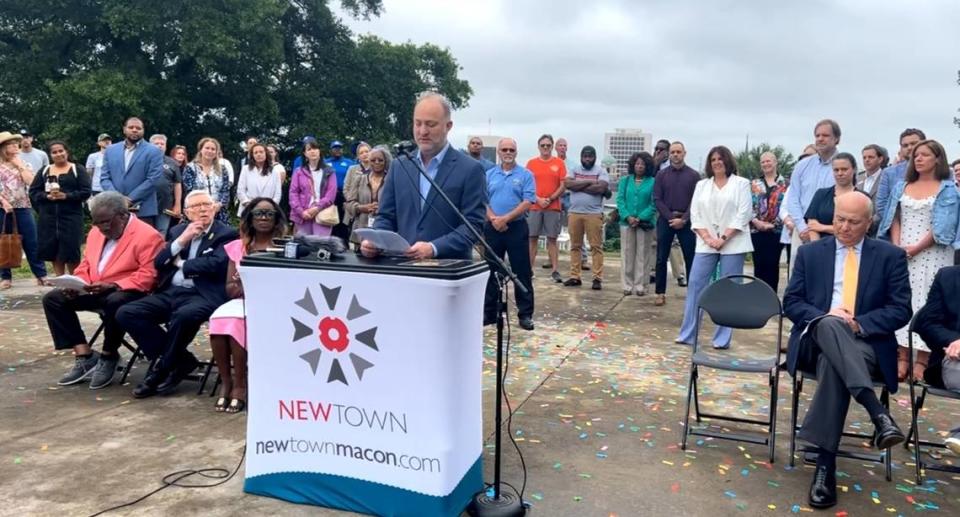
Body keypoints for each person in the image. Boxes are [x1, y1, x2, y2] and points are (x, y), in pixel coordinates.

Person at [783, 192, 911, 510]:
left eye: (853, 222)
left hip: (865, 344)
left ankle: (825, 467)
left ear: (869, 223)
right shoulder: (811, 254)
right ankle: (877, 413)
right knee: (828, 324)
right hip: (815, 337)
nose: (844, 227)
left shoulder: (889, 256)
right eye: (839, 219)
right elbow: (793, 303)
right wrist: (828, 317)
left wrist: (858, 324)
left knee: (834, 364)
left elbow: (900, 310)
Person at [116, 190, 238, 398]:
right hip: (171, 291)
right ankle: (181, 361)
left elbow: (215, 264)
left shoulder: (226, 233)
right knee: (127, 312)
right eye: (196, 206)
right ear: (186, 212)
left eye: (207, 205)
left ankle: (161, 369)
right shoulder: (178, 231)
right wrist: (182, 240)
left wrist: (181, 263)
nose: (202, 210)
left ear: (214, 208)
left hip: (203, 294)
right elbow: (159, 262)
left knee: (184, 316)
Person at [41, 192, 163, 389]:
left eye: (106, 222)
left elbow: (150, 275)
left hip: (129, 290)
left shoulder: (147, 235)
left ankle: (109, 355)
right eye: (97, 223)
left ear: (123, 215)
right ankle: (84, 354)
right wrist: (77, 283)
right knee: (54, 299)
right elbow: (87, 264)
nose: (102, 228)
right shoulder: (97, 232)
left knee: (115, 301)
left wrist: (115, 285)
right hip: (95, 287)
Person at [361, 91, 486, 260]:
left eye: (431, 124)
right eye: (417, 123)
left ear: (448, 126)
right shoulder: (399, 166)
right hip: (402, 268)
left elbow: (473, 226)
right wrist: (375, 239)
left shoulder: (471, 169)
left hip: (447, 271)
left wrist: (434, 248)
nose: (422, 131)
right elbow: (386, 216)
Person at [876, 139, 960, 382]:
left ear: (937, 158)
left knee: (927, 300)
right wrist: (897, 246)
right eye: (915, 155)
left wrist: (916, 247)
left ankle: (921, 360)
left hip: (931, 250)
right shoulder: (902, 186)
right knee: (903, 297)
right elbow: (894, 216)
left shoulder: (947, 189)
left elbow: (944, 225)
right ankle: (902, 356)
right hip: (902, 250)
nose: (919, 159)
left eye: (924, 154)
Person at [209, 197, 287, 413]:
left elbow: (284, 286)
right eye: (258, 213)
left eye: (269, 214)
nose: (263, 217)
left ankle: (240, 386)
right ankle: (227, 383)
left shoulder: (285, 247)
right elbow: (230, 287)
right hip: (242, 301)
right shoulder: (238, 247)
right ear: (250, 218)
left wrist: (251, 284)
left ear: (276, 219)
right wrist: (246, 285)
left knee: (236, 321)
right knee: (219, 319)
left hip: (274, 305)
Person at [676, 146, 753, 348]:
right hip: (706, 242)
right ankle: (688, 333)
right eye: (713, 160)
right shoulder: (702, 185)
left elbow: (744, 214)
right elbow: (695, 214)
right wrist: (708, 237)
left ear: (728, 161)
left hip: (733, 242)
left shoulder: (741, 184)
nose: (717, 162)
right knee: (695, 284)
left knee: (729, 288)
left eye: (721, 159)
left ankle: (722, 338)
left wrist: (724, 238)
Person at [482, 138, 536, 330]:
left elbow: (528, 201)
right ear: (498, 152)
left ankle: (525, 314)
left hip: (516, 227)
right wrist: (494, 219)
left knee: (522, 272)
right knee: (490, 271)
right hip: (493, 227)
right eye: (504, 149)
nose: (508, 152)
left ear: (516, 152)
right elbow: (482, 200)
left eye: (511, 149)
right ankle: (489, 313)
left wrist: (506, 218)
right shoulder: (489, 174)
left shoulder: (525, 175)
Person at [28, 141, 92, 275]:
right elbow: (33, 192)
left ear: (67, 152)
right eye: (54, 152)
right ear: (50, 155)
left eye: (61, 151)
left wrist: (67, 196)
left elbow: (86, 192)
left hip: (71, 218)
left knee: (71, 251)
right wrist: (46, 197)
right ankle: (60, 283)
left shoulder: (77, 169)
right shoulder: (44, 171)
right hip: (48, 219)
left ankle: (75, 283)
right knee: (54, 252)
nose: (58, 154)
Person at [785, 120, 840, 267]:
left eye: (825, 135)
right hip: (802, 229)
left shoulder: (843, 166)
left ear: (836, 139)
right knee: (800, 275)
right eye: (817, 135)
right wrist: (803, 228)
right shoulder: (802, 166)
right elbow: (793, 197)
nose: (820, 139)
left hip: (831, 229)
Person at [652, 141, 699, 305]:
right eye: (673, 152)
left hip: (687, 221)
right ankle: (660, 292)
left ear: (684, 153)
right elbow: (657, 198)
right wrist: (670, 218)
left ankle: (693, 294)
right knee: (661, 257)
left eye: (679, 152)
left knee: (690, 258)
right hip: (666, 219)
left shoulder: (694, 175)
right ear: (669, 154)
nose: (675, 155)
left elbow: (696, 201)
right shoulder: (661, 175)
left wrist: (684, 219)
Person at [0, 131, 48, 288]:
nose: (15, 146)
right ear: (3, 148)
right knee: (4, 242)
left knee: (32, 241)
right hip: (3, 209)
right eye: (10, 144)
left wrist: (19, 165)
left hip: (23, 207)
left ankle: (41, 275)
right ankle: (5, 277)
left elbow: (32, 182)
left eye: (16, 143)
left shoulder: (23, 164)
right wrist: (3, 202)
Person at [99, 117, 164, 227]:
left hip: (143, 210)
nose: (134, 130)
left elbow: (154, 179)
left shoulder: (154, 151)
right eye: (131, 127)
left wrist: (130, 199)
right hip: (114, 209)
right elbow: (104, 178)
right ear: (124, 129)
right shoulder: (110, 150)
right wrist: (118, 199)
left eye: (138, 128)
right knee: (116, 243)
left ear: (143, 130)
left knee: (142, 244)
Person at [563, 145, 609, 290]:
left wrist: (578, 185)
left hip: (594, 214)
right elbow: (568, 184)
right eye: (585, 156)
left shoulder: (601, 171)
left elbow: (601, 188)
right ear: (581, 157)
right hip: (575, 212)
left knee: (596, 246)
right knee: (575, 246)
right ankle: (575, 276)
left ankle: (597, 278)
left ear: (595, 157)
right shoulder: (574, 169)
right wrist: (589, 182)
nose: (587, 159)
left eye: (590, 156)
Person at [526, 134, 567, 282]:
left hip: (553, 206)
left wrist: (550, 199)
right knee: (532, 238)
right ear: (538, 147)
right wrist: (537, 199)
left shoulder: (559, 163)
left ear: (552, 146)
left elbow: (563, 185)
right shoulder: (531, 163)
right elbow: (527, 185)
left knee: (552, 238)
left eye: (548, 145)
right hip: (535, 206)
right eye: (543, 145)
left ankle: (555, 270)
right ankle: (529, 269)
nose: (545, 148)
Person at [616, 152, 657, 296]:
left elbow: (654, 204)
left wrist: (640, 218)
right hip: (626, 223)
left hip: (644, 223)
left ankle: (641, 285)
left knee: (643, 254)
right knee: (627, 254)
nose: (639, 166)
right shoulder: (625, 181)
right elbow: (620, 200)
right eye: (637, 164)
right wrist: (627, 216)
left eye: (643, 164)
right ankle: (627, 284)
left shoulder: (653, 182)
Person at [749, 151, 788, 292]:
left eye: (768, 161)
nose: (766, 164)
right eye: (763, 162)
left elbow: (786, 207)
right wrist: (756, 221)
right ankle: (758, 300)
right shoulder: (754, 184)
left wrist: (773, 224)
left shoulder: (785, 184)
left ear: (776, 162)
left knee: (772, 266)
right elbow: (750, 206)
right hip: (757, 231)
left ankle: (771, 300)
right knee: (759, 266)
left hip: (776, 231)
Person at [804, 153, 864, 241]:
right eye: (836, 170)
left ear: (854, 170)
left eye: (844, 169)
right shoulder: (821, 194)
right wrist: (816, 249)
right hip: (821, 246)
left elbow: (859, 229)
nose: (840, 173)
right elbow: (812, 224)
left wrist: (823, 227)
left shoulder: (862, 197)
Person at [874, 128, 926, 228]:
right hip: (894, 233)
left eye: (914, 143)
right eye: (905, 145)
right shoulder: (889, 173)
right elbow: (881, 206)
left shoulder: (943, 172)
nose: (910, 148)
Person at [289, 140, 337, 237]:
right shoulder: (298, 172)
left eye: (315, 148)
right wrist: (301, 211)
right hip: (303, 213)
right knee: (304, 246)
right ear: (305, 154)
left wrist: (317, 208)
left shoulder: (329, 171)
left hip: (322, 212)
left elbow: (330, 194)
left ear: (319, 151)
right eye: (309, 149)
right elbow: (293, 193)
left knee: (321, 245)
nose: (313, 151)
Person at [345, 145, 390, 246]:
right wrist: (361, 208)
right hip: (360, 230)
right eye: (373, 160)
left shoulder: (391, 181)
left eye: (380, 160)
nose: (377, 163)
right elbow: (349, 204)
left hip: (383, 231)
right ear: (369, 162)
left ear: (386, 161)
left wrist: (382, 209)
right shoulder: (360, 179)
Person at [182, 137, 231, 222]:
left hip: (218, 211)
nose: (210, 151)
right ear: (201, 150)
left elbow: (225, 190)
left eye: (213, 149)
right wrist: (205, 205)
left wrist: (219, 205)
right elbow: (190, 190)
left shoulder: (222, 169)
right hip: (198, 210)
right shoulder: (190, 168)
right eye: (207, 148)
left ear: (216, 152)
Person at [149, 134, 183, 236]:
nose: (159, 146)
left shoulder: (172, 163)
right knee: (146, 233)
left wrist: (177, 204)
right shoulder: (143, 160)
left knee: (161, 233)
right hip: (146, 205)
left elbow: (177, 184)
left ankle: (159, 252)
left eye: (162, 144)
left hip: (165, 206)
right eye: (156, 144)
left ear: (166, 146)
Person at [236, 143, 283, 216]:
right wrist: (249, 205)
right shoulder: (245, 169)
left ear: (266, 154)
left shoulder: (274, 171)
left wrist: (270, 207)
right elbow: (240, 190)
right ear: (252, 155)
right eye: (256, 152)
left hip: (268, 211)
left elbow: (277, 194)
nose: (258, 154)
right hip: (248, 209)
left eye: (261, 152)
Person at [326, 140, 356, 242]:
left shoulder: (349, 163)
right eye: (335, 148)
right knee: (330, 217)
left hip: (343, 194)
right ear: (331, 150)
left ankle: (344, 242)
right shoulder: (326, 162)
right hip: (330, 195)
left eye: (339, 148)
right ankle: (331, 241)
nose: (337, 150)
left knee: (343, 219)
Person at [342, 142, 372, 230]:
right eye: (361, 153)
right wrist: (354, 204)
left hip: (371, 208)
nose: (364, 154)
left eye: (366, 151)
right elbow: (346, 189)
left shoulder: (376, 168)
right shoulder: (352, 169)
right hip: (355, 210)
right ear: (358, 156)